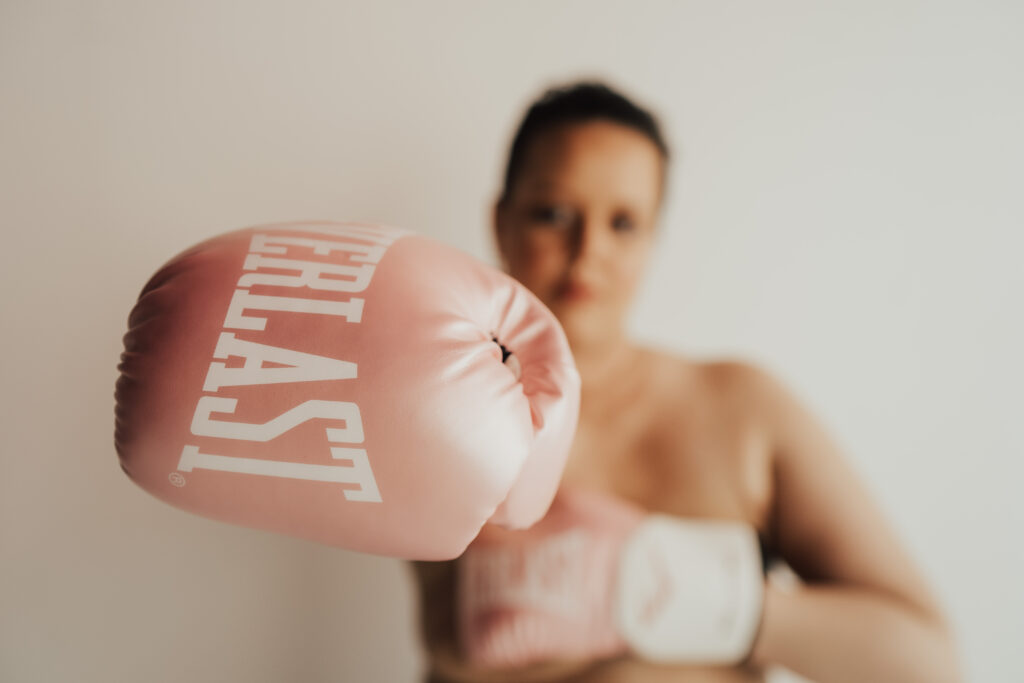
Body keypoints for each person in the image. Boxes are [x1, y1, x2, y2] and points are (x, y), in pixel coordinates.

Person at [411, 81, 961, 683]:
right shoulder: (424, 417)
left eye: (623, 223)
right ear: (501, 222)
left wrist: (692, 591)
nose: (588, 249)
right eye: (555, 214)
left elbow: (927, 661)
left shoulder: (742, 409)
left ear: (652, 239)